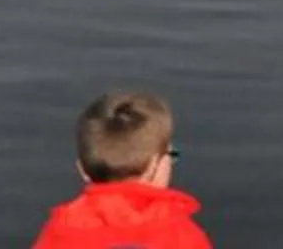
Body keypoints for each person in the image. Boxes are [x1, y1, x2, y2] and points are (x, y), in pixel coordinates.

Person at [30, 90, 213, 249]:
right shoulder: (181, 235)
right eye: (171, 155)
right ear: (152, 167)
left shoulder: (61, 231)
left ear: (82, 170)